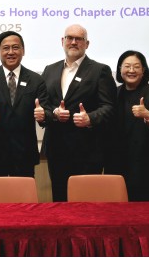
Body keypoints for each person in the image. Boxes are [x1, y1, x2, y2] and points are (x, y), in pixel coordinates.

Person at [41, 24, 117, 201]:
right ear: (63, 41)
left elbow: (109, 107)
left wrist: (90, 118)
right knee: (59, 201)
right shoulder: (49, 70)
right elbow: (44, 104)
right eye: (69, 38)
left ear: (87, 44)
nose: (73, 42)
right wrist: (53, 113)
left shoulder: (100, 70)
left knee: (86, 203)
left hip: (88, 149)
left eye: (79, 39)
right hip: (56, 148)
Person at [0, 31, 49, 178]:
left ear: (23, 50)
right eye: (6, 48)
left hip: (24, 154)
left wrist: (43, 116)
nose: (11, 52)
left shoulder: (36, 80)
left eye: (15, 47)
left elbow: (46, 111)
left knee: (24, 194)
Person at [107, 50, 149, 201]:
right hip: (116, 163)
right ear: (120, 69)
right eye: (127, 66)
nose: (131, 70)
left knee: (141, 211)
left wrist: (148, 115)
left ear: (143, 70)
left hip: (143, 165)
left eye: (136, 66)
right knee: (115, 210)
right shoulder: (112, 94)